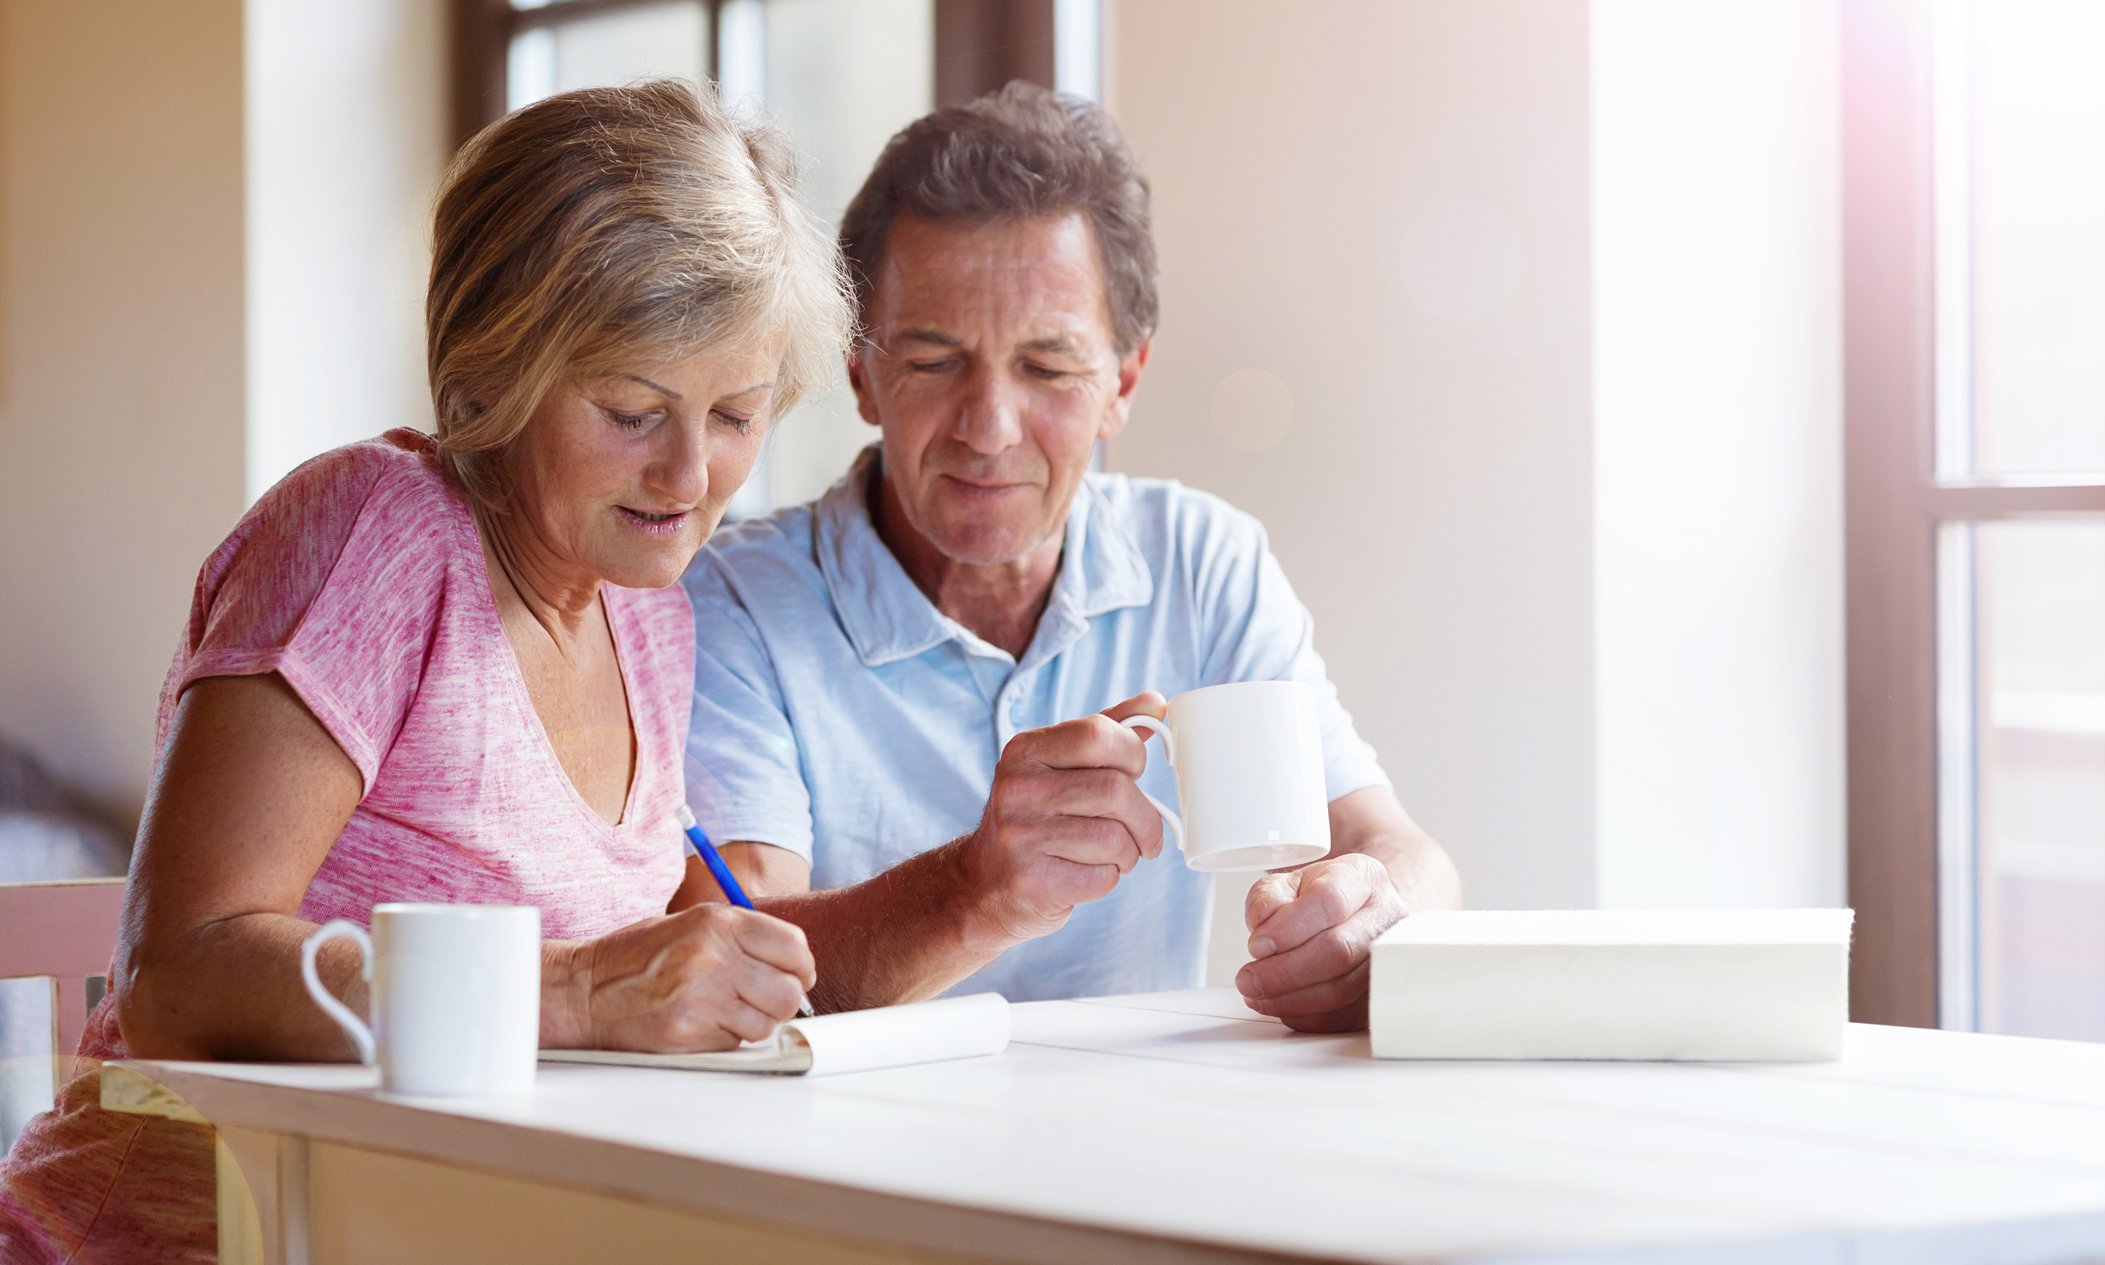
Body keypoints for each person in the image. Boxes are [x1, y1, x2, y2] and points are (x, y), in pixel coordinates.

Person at [0, 79, 852, 1264]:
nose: (689, 476)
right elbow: (176, 975)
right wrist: (586, 994)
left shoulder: (646, 612)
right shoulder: (376, 533)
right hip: (198, 1236)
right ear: (494, 373)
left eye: (736, 416)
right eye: (629, 409)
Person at [681, 83, 1461, 1031]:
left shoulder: (1199, 560)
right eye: (932, 361)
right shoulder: (735, 600)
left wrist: (1373, 917)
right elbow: (735, 955)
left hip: (1136, 1143)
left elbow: (1404, 852)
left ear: (1122, 382)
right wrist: (973, 891)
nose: (989, 428)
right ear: (861, 372)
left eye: (1047, 368)